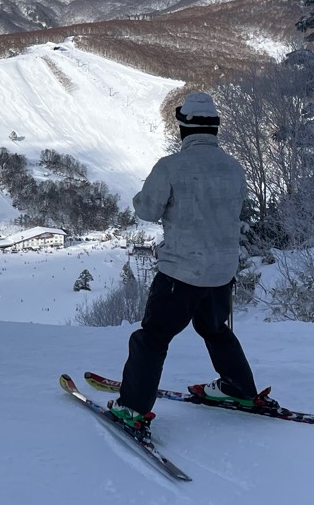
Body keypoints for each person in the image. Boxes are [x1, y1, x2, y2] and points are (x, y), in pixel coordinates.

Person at [108, 92, 260, 432]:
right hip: (222, 272)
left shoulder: (171, 167)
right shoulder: (234, 168)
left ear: (183, 128)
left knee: (152, 338)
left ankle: (132, 408)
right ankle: (239, 388)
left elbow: (146, 210)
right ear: (215, 128)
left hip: (182, 272)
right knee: (216, 330)